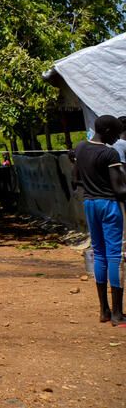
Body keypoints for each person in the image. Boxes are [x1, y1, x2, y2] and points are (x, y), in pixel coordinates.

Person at [72, 115, 126, 325]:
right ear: (107, 131)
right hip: (108, 206)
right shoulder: (109, 152)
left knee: (100, 254)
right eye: (115, 133)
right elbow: (119, 189)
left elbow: (75, 178)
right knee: (114, 257)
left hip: (90, 204)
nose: (117, 137)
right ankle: (117, 314)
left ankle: (104, 310)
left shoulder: (81, 148)